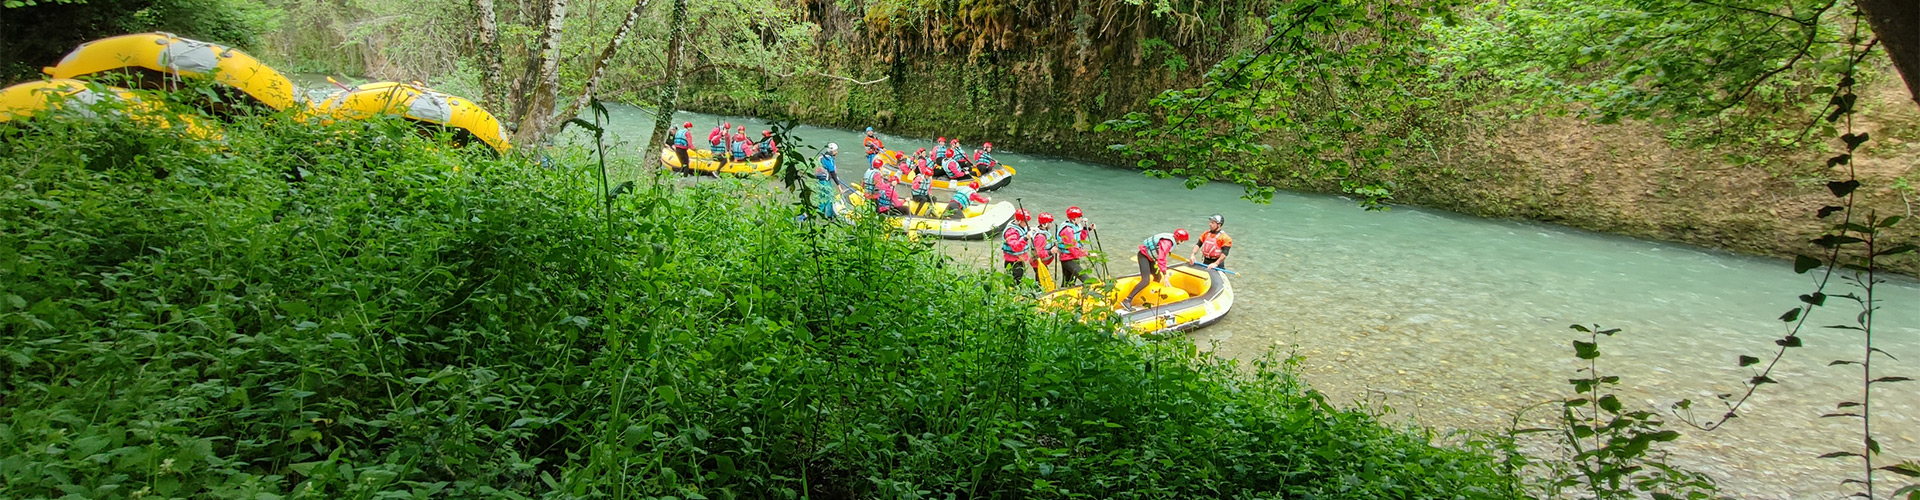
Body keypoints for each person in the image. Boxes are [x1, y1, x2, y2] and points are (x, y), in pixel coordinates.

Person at [1122, 229, 1189, 310]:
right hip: (1143, 256)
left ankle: (1151, 296)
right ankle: (1128, 300)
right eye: (1182, 241)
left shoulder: (1170, 239)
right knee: (1145, 280)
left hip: (1150, 258)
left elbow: (1161, 251)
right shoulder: (1167, 243)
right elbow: (1161, 258)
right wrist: (1165, 275)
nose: (1182, 243)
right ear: (1180, 239)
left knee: (1157, 277)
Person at [1055, 206, 1094, 285]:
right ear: (1074, 219)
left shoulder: (1074, 226)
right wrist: (1088, 254)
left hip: (1072, 258)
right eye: (1079, 217)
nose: (1081, 219)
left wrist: (1088, 229)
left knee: (1069, 282)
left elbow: (1079, 239)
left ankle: (1065, 295)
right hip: (1068, 259)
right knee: (1086, 280)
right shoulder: (1067, 230)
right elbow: (1073, 249)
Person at [1002, 209, 1033, 282]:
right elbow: (1016, 247)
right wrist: (1026, 238)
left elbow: (1024, 229)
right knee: (1016, 280)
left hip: (1019, 260)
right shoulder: (1011, 232)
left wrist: (1031, 230)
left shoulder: (1021, 226)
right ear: (1018, 221)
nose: (1026, 223)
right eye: (1025, 221)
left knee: (1020, 277)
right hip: (1012, 262)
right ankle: (1014, 292)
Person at [1031, 212, 1056, 281]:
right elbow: (1038, 253)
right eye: (1050, 222)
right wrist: (1051, 251)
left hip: (1043, 263)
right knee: (1041, 281)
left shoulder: (1044, 231)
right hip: (1039, 263)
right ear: (1045, 224)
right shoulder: (1040, 237)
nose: (1052, 224)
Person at [909, 150, 934, 214]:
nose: (928, 177)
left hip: (924, 194)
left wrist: (930, 194)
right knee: (924, 199)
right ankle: (916, 213)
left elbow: (929, 188)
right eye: (928, 175)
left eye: (929, 176)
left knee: (934, 198)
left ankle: (929, 212)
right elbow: (914, 187)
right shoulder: (919, 177)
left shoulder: (929, 179)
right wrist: (919, 182)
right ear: (925, 174)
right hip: (916, 195)